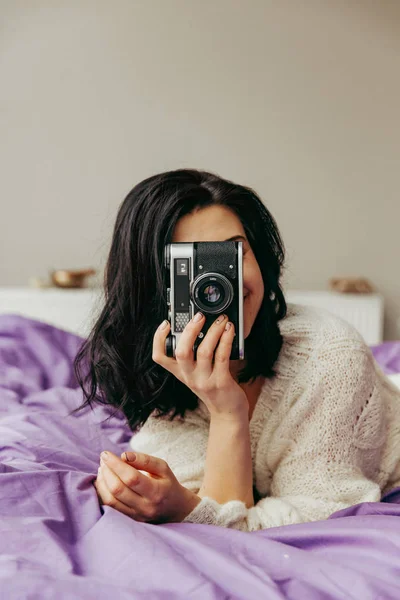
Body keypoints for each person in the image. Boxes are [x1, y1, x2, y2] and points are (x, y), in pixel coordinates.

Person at [73, 169, 400, 531]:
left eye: (232, 255)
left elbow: (308, 514)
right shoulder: (162, 364)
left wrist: (227, 412)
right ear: (153, 287)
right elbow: (220, 511)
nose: (216, 285)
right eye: (193, 267)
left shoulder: (330, 356)